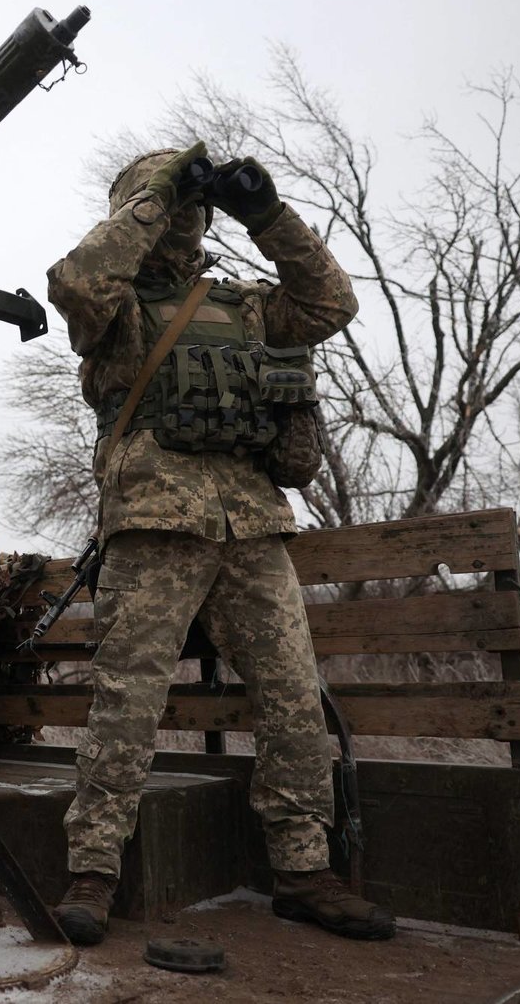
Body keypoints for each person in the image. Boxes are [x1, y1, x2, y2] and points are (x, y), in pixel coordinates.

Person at [44, 142, 395, 944]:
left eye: (191, 207)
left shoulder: (243, 305)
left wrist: (266, 214)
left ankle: (305, 869)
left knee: (294, 696)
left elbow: (332, 302)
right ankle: (92, 871)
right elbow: (74, 280)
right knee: (128, 700)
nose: (184, 220)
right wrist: (153, 193)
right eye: (174, 207)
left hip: (252, 523)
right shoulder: (117, 309)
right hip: (155, 521)